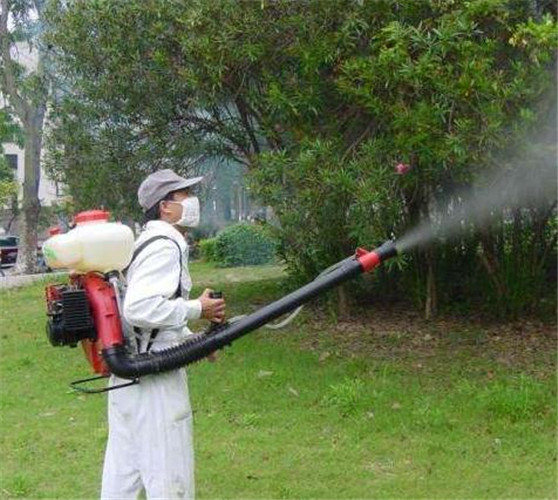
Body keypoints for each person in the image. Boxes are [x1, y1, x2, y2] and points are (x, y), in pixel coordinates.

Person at [101, 169, 226, 499]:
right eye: (185, 195)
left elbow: (153, 321)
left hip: (128, 379)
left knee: (122, 479)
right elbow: (140, 309)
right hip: (154, 383)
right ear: (165, 207)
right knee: (171, 480)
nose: (192, 201)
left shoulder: (144, 243)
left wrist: (195, 341)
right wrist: (197, 308)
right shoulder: (165, 246)